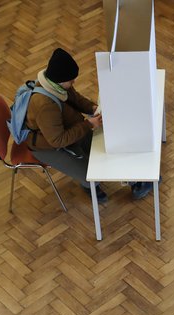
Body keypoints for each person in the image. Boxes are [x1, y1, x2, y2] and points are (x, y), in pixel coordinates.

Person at [25, 48, 152, 203]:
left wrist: (93, 109)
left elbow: (76, 99)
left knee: (103, 150)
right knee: (91, 174)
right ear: (60, 80)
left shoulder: (56, 83)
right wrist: (88, 125)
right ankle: (88, 186)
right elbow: (57, 140)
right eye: (71, 80)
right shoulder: (45, 106)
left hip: (67, 128)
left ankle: (134, 179)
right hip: (48, 146)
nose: (73, 82)